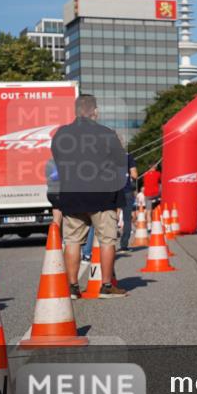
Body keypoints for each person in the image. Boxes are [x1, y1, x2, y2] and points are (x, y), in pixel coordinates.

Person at [50, 94, 128, 298]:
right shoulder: (106, 134)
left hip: (72, 195)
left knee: (73, 241)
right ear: (95, 111)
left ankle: (72, 287)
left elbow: (58, 161)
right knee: (107, 241)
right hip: (102, 197)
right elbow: (121, 162)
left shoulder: (61, 134)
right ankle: (106, 286)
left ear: (76, 111)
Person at [118, 154, 138, 251]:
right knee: (127, 219)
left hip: (113, 191)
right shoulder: (128, 157)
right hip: (127, 191)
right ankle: (124, 245)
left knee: (111, 217)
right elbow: (134, 174)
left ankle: (108, 246)